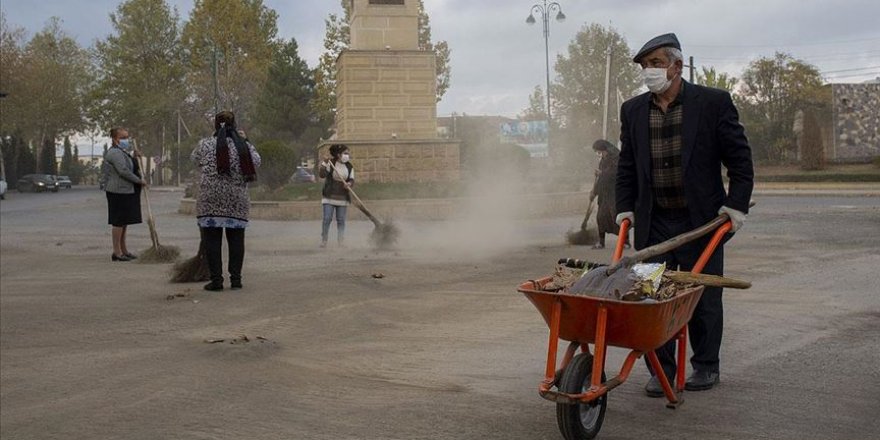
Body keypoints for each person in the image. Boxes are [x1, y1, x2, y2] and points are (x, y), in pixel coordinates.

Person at [615, 33, 754, 396]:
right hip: (654, 222)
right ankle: (660, 370)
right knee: (650, 294)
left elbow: (740, 160)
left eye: (657, 64)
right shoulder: (632, 110)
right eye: (645, 66)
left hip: (701, 222)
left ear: (678, 65)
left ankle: (706, 366)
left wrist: (736, 205)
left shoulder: (712, 103)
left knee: (702, 297)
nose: (650, 72)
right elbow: (626, 165)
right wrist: (624, 208)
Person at [192, 111, 261, 291]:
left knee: (212, 241)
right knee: (236, 239)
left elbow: (194, 160)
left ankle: (216, 281)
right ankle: (236, 280)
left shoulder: (205, 144)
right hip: (236, 200)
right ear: (235, 125)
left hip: (210, 199)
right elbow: (257, 162)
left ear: (215, 125)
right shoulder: (243, 146)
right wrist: (245, 140)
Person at [102, 127, 148, 262]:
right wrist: (139, 181)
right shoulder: (114, 153)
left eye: (127, 137)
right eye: (122, 138)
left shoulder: (123, 152)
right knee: (118, 221)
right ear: (115, 139)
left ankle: (124, 250)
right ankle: (117, 252)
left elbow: (130, 165)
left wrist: (134, 156)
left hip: (126, 191)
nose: (126, 140)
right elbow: (123, 171)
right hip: (118, 191)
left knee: (124, 222)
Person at [589, 139, 629, 249]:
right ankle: (601, 242)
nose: (599, 154)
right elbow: (600, 179)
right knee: (601, 216)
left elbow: (617, 173)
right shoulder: (603, 161)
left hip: (615, 192)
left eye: (599, 152)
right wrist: (594, 192)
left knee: (617, 216)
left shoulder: (617, 158)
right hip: (604, 193)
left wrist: (602, 173)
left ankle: (625, 241)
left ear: (605, 150)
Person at [318, 144, 354, 248]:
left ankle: (341, 241)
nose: (347, 155)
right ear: (338, 154)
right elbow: (322, 174)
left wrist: (349, 184)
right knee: (327, 219)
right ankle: (324, 240)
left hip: (342, 197)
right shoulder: (331, 163)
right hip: (329, 196)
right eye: (345, 153)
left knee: (341, 220)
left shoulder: (349, 166)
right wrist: (324, 163)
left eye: (348, 153)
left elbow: (351, 179)